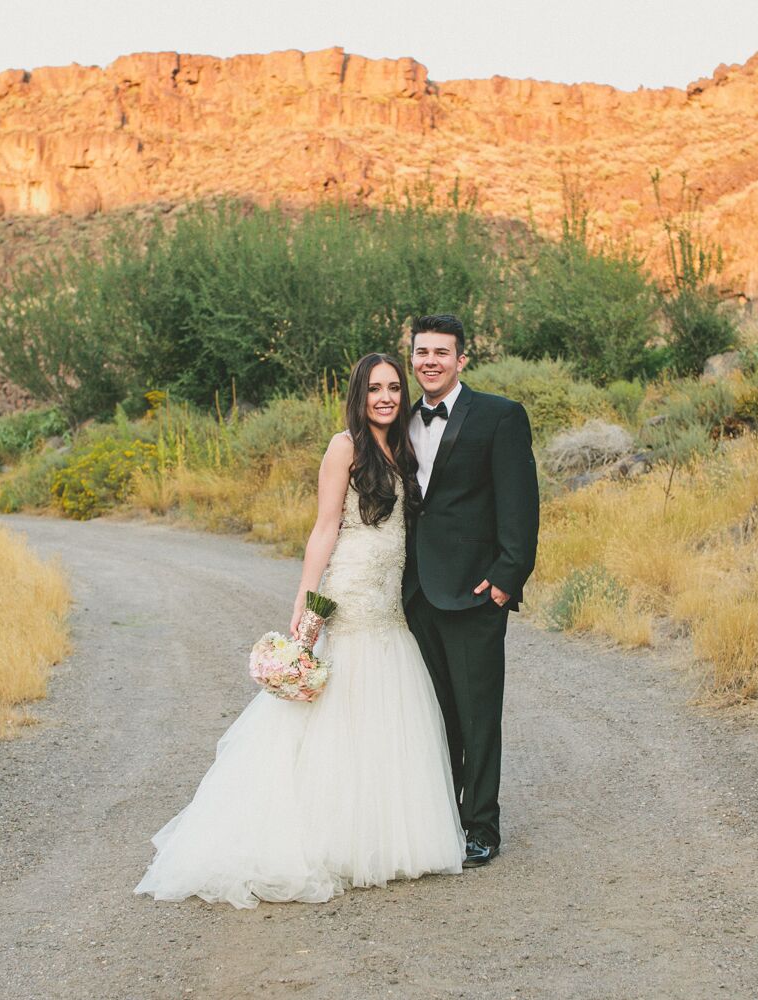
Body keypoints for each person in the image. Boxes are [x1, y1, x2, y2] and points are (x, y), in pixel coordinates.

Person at [135, 353, 464, 908]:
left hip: (392, 597)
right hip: (353, 586)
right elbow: (324, 525)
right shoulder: (346, 446)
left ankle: (383, 832)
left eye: (392, 387)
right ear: (358, 394)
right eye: (374, 388)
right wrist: (306, 599)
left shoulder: (404, 442)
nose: (385, 397)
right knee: (344, 699)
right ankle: (329, 832)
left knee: (388, 701)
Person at [403, 314, 539, 868]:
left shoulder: (500, 417)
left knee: (478, 714)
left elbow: (521, 503)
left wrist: (508, 579)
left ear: (462, 360)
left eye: (441, 352)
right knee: (432, 716)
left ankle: (481, 825)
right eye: (421, 352)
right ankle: (440, 820)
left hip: (475, 592)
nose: (429, 361)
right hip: (413, 594)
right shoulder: (399, 420)